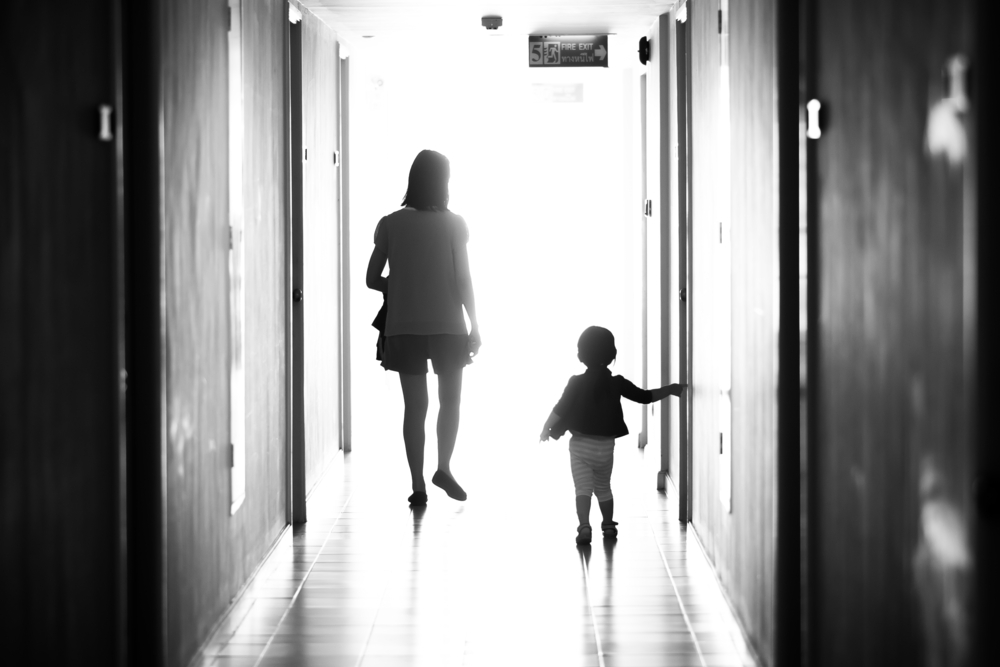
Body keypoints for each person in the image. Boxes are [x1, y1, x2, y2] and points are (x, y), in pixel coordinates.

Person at [366, 150, 481, 506]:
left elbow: (372, 279)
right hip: (448, 326)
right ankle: (443, 467)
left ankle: (417, 485)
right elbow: (463, 279)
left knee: (415, 407)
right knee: (451, 401)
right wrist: (475, 324)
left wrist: (397, 286)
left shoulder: (390, 223)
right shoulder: (454, 224)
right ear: (442, 183)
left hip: (403, 328)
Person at [539, 326, 685, 544]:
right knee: (604, 487)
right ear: (611, 354)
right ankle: (608, 525)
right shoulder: (617, 383)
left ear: (581, 355)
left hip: (580, 446)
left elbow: (560, 409)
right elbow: (645, 397)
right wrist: (671, 389)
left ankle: (584, 527)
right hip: (605, 448)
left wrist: (545, 428)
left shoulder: (575, 382)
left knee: (582, 489)